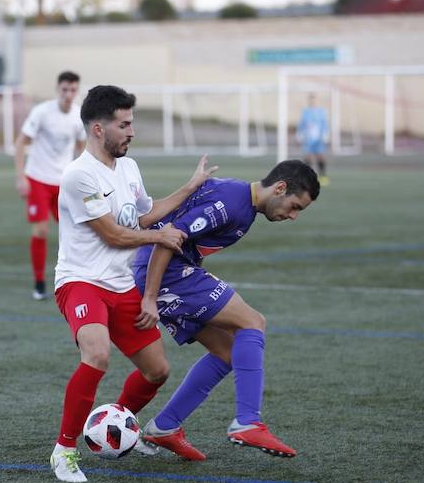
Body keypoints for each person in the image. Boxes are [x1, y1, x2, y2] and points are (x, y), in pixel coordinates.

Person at [50, 84, 217, 483]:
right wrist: (160, 237)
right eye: (124, 125)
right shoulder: (78, 176)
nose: (131, 132)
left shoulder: (128, 168)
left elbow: (145, 215)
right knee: (97, 354)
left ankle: (121, 424)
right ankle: (64, 451)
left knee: (157, 370)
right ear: (97, 129)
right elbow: (113, 234)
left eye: (131, 123)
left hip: (121, 284)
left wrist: (190, 186)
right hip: (80, 282)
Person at [133, 160, 320, 461]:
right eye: (295, 206)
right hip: (164, 273)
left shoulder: (243, 204)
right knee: (253, 322)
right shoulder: (231, 204)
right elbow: (167, 239)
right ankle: (247, 421)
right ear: (280, 188)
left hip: (168, 273)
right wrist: (150, 297)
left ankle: (164, 427)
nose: (293, 216)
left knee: (228, 351)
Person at [15, 71, 87, 301]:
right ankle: (39, 282)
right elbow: (20, 143)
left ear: (77, 91)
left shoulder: (78, 116)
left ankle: (78, 278)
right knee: (41, 230)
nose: (68, 94)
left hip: (63, 182)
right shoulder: (42, 112)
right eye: (64, 89)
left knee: (76, 230)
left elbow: (82, 149)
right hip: (37, 178)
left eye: (73, 90)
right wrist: (20, 177)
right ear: (58, 90)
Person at [296, 94, 329, 186]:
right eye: (311, 100)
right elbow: (302, 124)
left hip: (318, 139)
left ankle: (323, 176)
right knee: (308, 158)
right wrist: (299, 135)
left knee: (320, 156)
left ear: (316, 101)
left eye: (314, 100)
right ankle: (308, 177)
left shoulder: (321, 112)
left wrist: (325, 135)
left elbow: (324, 124)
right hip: (308, 139)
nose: (312, 102)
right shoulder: (305, 112)